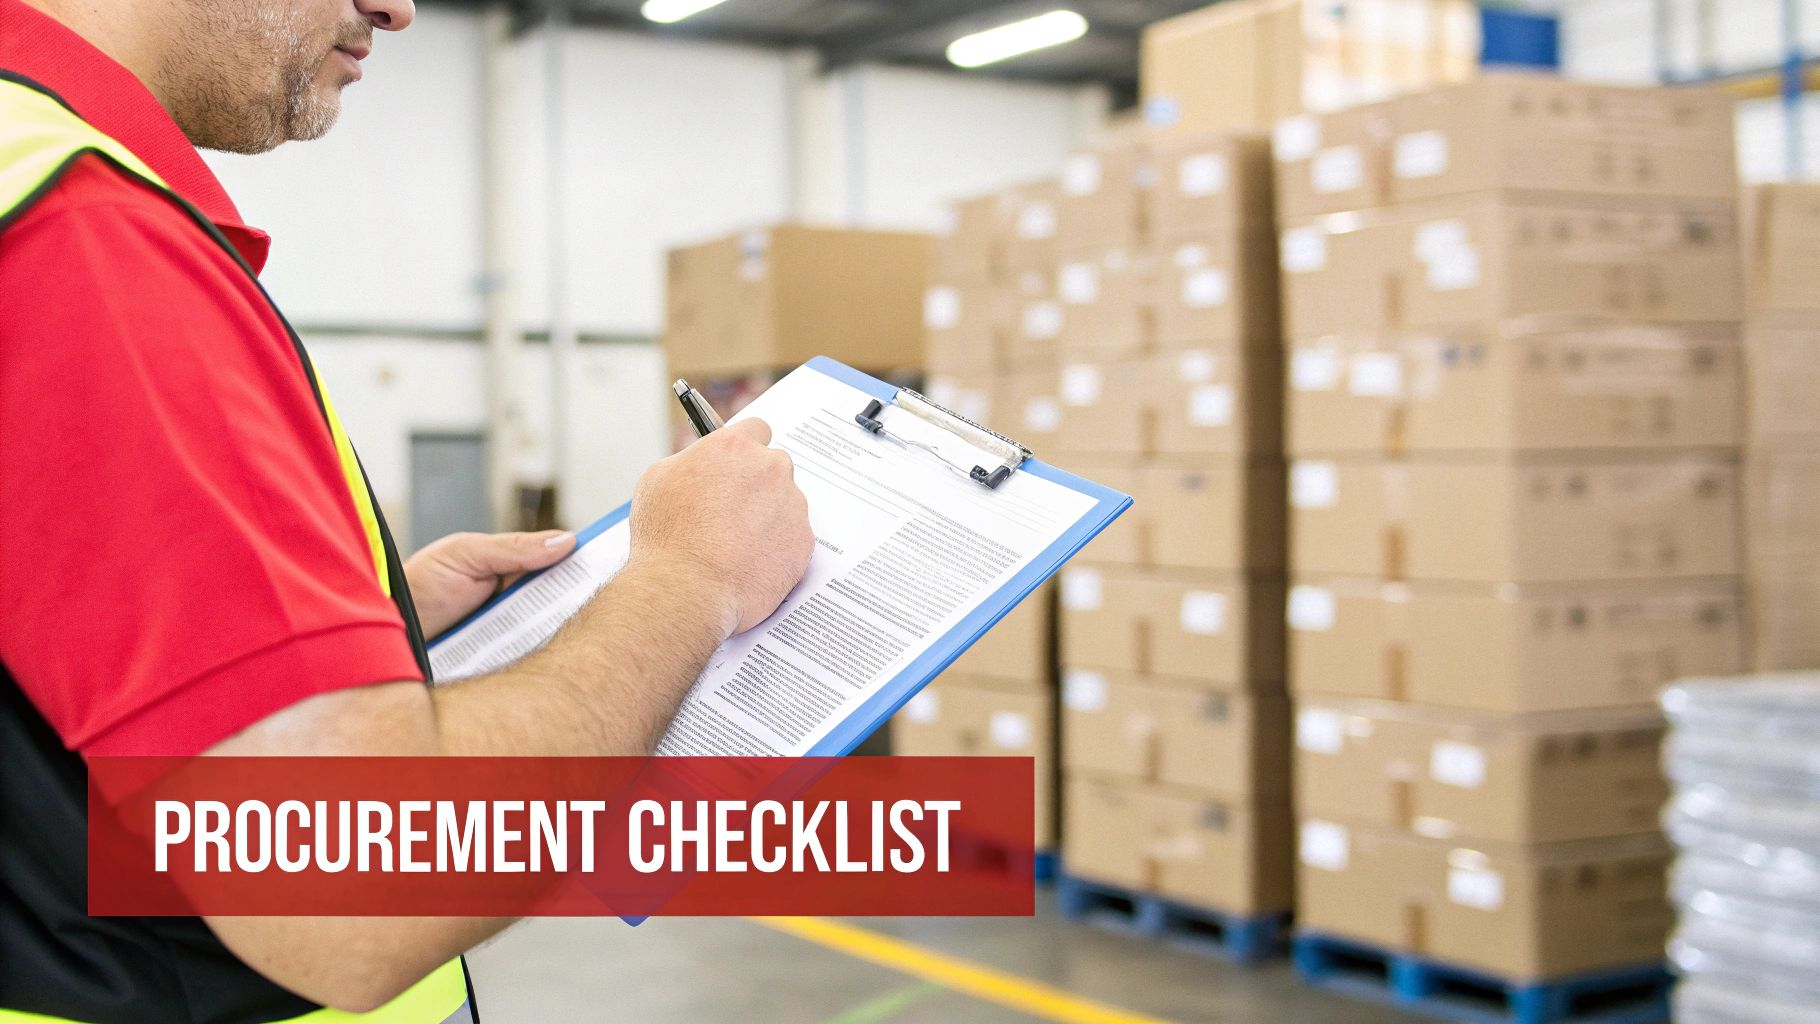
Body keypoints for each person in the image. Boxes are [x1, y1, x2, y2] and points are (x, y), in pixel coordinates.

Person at [0, 0, 816, 1020]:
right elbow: (349, 886)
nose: (395, 6)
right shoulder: (87, 236)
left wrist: (352, 627)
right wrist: (691, 579)